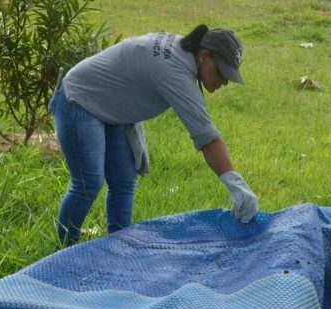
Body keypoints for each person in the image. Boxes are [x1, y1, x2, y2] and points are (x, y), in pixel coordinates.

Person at [48, 25, 259, 246]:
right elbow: (207, 138)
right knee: (88, 183)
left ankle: (117, 248)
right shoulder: (175, 71)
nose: (224, 82)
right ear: (204, 56)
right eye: (222, 73)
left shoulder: (184, 54)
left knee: (123, 181)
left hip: (111, 105)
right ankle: (63, 249)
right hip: (79, 98)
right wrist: (237, 186)